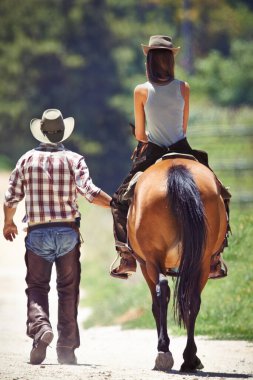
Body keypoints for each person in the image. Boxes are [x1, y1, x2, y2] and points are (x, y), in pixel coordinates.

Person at [110, 35, 230, 280]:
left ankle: (126, 255)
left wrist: (145, 136)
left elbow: (142, 134)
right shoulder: (183, 87)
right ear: (170, 61)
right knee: (220, 193)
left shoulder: (141, 90)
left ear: (150, 62)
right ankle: (216, 257)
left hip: (153, 150)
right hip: (182, 146)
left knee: (119, 200)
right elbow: (183, 127)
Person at [3, 109, 112, 365]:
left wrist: (8, 222)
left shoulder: (26, 160)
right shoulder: (74, 159)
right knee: (68, 290)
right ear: (63, 132)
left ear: (41, 131)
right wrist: (116, 204)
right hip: (67, 234)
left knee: (37, 287)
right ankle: (66, 348)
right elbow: (90, 192)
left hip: (38, 234)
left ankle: (41, 329)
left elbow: (11, 198)